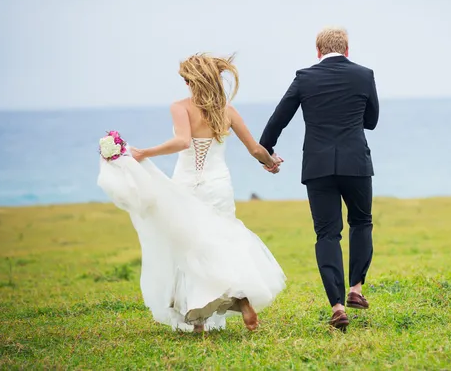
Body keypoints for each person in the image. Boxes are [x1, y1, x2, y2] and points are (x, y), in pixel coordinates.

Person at [97, 54, 285, 333]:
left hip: (186, 185)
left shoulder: (180, 107)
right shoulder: (228, 111)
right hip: (219, 184)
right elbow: (256, 149)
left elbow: (183, 141)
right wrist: (271, 162)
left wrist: (145, 152)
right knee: (223, 243)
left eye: (185, 78)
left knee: (187, 248)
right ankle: (243, 300)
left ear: (191, 80)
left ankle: (197, 322)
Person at [259, 27, 379, 330]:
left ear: (318, 51)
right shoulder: (365, 75)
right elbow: (372, 121)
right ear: (347, 50)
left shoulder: (304, 77)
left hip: (318, 165)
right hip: (355, 162)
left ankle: (337, 306)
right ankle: (356, 289)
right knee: (361, 222)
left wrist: (266, 153)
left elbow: (278, 118)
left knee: (327, 234)